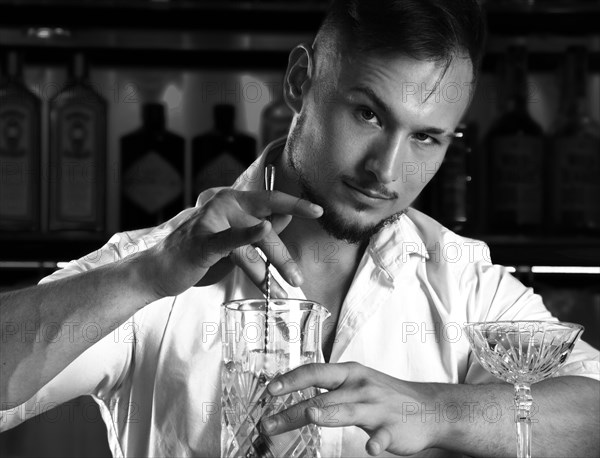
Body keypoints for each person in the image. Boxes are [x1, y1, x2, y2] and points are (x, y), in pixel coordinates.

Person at [1, 0, 599, 456]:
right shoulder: (155, 267)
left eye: (425, 137)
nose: (386, 171)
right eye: (367, 113)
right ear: (298, 83)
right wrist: (144, 277)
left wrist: (436, 410)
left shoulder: (465, 281)